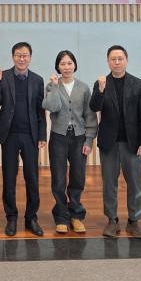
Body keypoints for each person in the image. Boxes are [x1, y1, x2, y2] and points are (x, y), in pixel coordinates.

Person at [89, 45, 141, 239]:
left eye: (120, 58)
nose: (117, 62)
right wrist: (100, 91)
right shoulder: (101, 83)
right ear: (108, 61)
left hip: (132, 144)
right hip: (109, 143)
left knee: (134, 184)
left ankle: (134, 221)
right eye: (113, 59)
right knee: (109, 184)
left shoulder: (138, 84)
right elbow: (94, 106)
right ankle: (112, 220)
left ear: (126, 60)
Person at [0, 42, 47, 237]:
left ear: (30, 57)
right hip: (9, 135)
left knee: (32, 177)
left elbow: (40, 110)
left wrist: (42, 135)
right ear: (13, 57)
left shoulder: (37, 80)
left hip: (30, 135)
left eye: (25, 55)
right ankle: (11, 217)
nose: (22, 58)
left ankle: (31, 217)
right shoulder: (4, 76)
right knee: (9, 177)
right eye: (18, 55)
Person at [43, 50, 96, 234]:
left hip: (79, 137)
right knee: (58, 178)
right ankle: (61, 217)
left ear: (75, 65)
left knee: (78, 177)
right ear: (57, 67)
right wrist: (53, 86)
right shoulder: (52, 86)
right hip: (58, 136)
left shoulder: (84, 88)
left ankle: (76, 215)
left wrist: (89, 139)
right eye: (62, 64)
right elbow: (52, 107)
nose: (66, 67)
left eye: (69, 63)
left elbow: (89, 115)